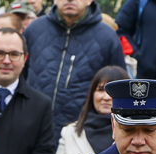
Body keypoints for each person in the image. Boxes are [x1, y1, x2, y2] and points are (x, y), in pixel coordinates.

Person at [24, 0, 127, 134]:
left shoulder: (107, 38)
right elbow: (20, 78)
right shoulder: (34, 30)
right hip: (32, 128)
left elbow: (120, 90)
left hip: (83, 133)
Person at [49, 65, 127, 154]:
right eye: (100, 90)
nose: (106, 97)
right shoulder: (70, 132)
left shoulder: (134, 134)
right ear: (92, 94)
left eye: (112, 92)